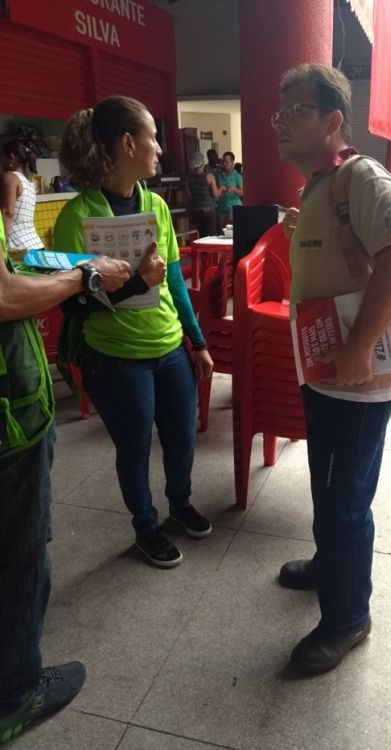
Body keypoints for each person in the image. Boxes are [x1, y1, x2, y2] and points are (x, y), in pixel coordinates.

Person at [272, 64, 391, 674]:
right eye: (279, 113)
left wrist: (360, 345)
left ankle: (348, 618)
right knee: (328, 484)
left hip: (357, 377)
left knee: (346, 500)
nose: (281, 123)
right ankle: (329, 563)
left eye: (295, 112)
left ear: (333, 120)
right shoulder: (321, 184)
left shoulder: (362, 176)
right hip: (326, 368)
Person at [54, 96, 214, 569]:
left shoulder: (156, 206)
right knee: (134, 448)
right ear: (128, 143)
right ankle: (146, 528)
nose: (160, 149)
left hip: (169, 348)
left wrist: (198, 342)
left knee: (182, 437)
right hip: (115, 359)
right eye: (153, 138)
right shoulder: (77, 217)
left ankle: (180, 503)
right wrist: (134, 285)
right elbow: (72, 304)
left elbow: (176, 282)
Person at [0, 217, 130, 741]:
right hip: (11, 424)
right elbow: (4, 296)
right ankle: (16, 694)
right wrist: (84, 276)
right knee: (20, 554)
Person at [1, 141, 43, 250]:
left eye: (2, 158)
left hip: (19, 249)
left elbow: (7, 213)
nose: (1, 162)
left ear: (11, 158)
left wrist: (2, 245)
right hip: (35, 245)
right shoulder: (29, 183)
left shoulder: (10, 177)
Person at [187, 151, 223, 237]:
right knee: (212, 236)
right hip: (209, 211)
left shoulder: (189, 178)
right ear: (203, 163)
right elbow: (215, 194)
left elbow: (189, 196)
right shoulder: (209, 176)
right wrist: (222, 188)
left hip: (196, 211)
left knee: (202, 236)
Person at [216, 151, 243, 229]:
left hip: (233, 206)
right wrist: (221, 191)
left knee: (230, 230)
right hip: (221, 207)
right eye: (223, 162)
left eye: (227, 161)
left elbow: (243, 193)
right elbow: (216, 191)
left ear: (232, 162)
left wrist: (234, 189)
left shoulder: (237, 176)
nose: (224, 164)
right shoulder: (219, 176)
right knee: (223, 231)